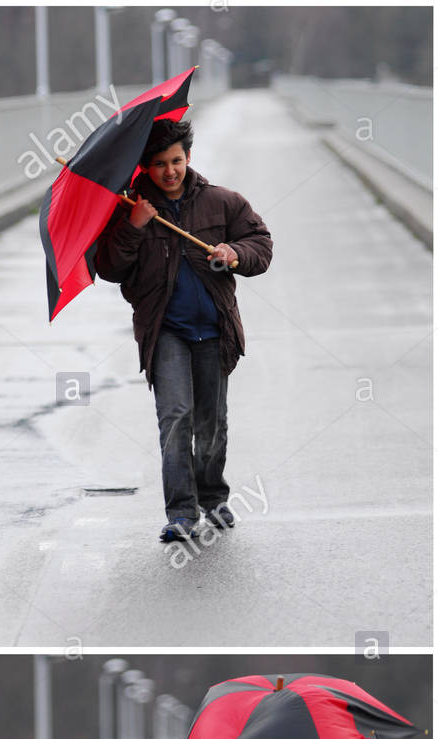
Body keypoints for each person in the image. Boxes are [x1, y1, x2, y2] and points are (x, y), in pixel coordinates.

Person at [95, 120, 273, 544]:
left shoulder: (222, 202)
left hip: (213, 329)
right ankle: (181, 512)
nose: (169, 171)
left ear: (188, 158)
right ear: (145, 167)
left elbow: (261, 245)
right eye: (158, 164)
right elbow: (110, 268)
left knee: (211, 423)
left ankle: (213, 497)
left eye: (176, 160)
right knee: (176, 418)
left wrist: (234, 252)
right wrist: (135, 226)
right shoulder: (131, 209)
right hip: (165, 332)